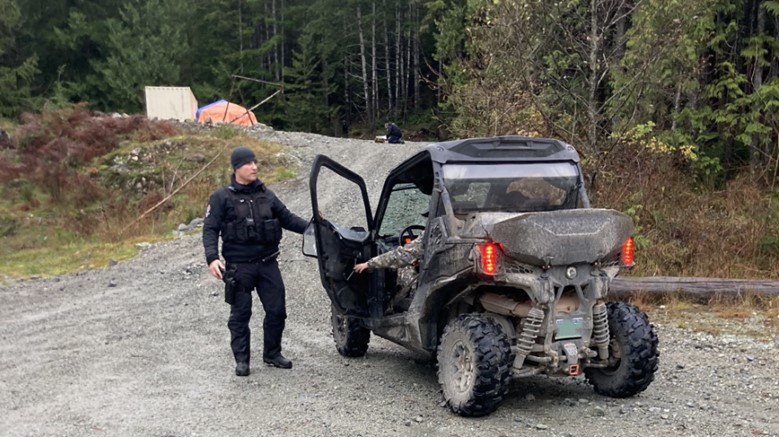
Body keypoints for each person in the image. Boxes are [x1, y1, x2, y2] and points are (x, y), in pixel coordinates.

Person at [203, 146, 309, 376]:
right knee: (241, 314)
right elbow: (210, 229)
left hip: (267, 263)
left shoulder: (266, 194)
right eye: (248, 163)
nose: (254, 167)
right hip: (239, 267)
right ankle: (242, 360)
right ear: (236, 168)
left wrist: (314, 229)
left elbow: (288, 218)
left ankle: (272, 353)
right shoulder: (222, 197)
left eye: (255, 162)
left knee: (277, 310)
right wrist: (212, 258)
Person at [353, 229, 425, 307]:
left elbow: (400, 256)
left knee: (405, 268)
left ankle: (400, 307)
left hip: (427, 286)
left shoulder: (430, 233)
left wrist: (369, 264)